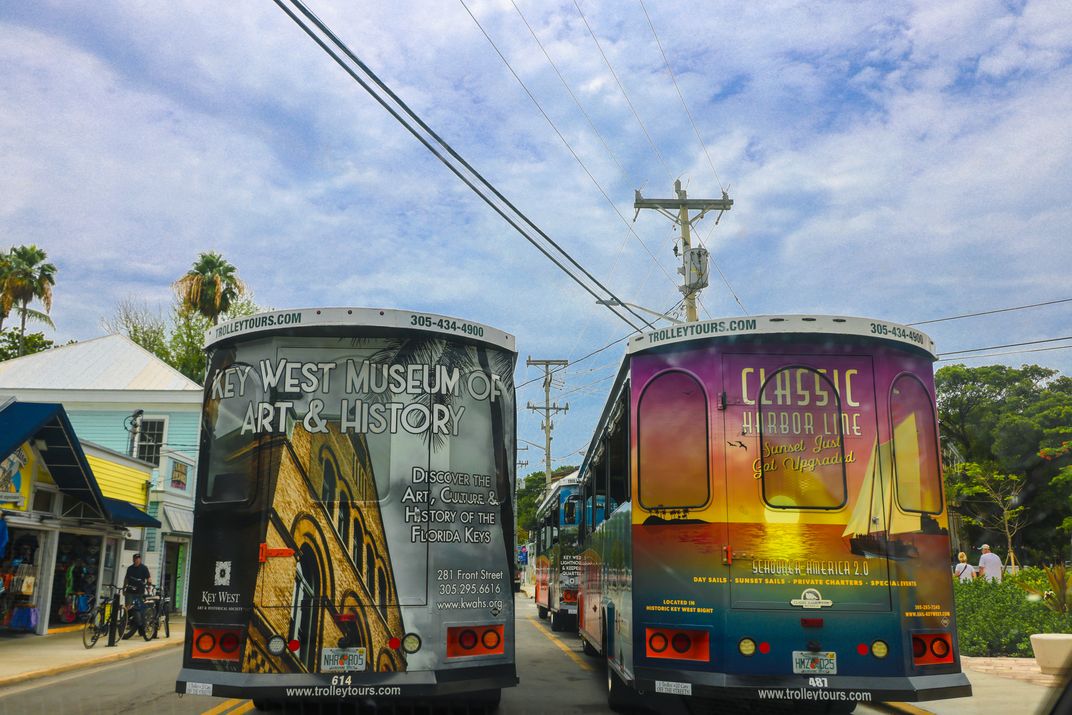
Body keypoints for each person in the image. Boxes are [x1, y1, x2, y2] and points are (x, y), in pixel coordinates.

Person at [123, 553, 152, 636]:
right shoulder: (130, 568)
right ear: (133, 559)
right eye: (135, 558)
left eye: (138, 558)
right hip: (129, 591)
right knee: (128, 608)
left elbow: (148, 578)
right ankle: (125, 624)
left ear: (140, 559)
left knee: (139, 610)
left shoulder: (144, 568)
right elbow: (126, 579)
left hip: (139, 592)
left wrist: (149, 585)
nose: (137, 560)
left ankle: (141, 628)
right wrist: (124, 587)